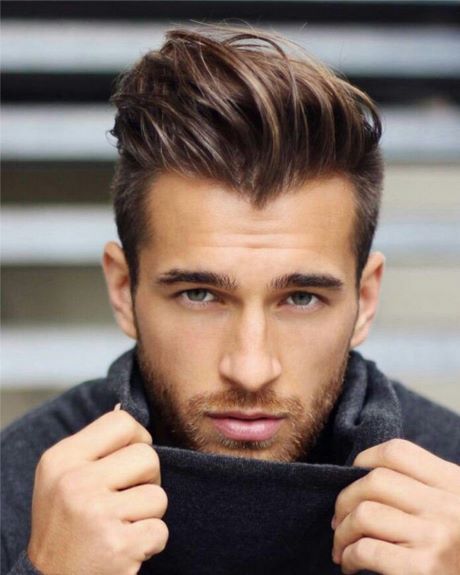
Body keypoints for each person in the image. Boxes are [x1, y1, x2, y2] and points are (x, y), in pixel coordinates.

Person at [1, 24, 459, 575]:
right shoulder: (16, 488)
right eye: (199, 294)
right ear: (123, 290)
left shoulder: (452, 487)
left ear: (365, 298)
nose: (250, 369)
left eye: (302, 298)